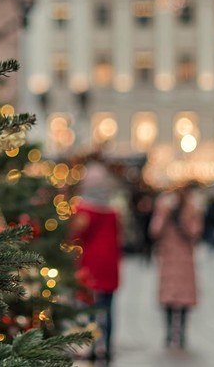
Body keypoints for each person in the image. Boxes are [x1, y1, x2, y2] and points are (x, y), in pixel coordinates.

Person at [69, 154, 122, 361]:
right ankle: (106, 346)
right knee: (108, 307)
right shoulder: (112, 212)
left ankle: (91, 347)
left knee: (91, 308)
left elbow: (75, 234)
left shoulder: (84, 210)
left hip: (91, 263)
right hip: (111, 264)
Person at [149, 184, 203, 349]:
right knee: (168, 298)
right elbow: (154, 230)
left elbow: (195, 231)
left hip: (185, 260)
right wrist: (165, 214)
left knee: (185, 299)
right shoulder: (163, 207)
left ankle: (181, 334)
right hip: (168, 258)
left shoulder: (191, 207)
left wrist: (183, 219)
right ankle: (169, 333)